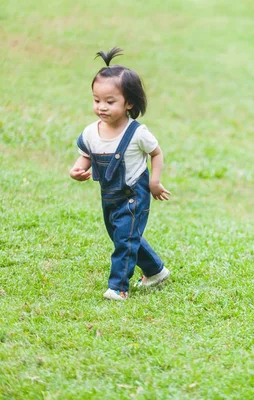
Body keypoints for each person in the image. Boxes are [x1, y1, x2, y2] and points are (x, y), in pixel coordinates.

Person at [70, 47, 172, 300]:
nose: (101, 107)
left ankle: (118, 287)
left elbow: (156, 153)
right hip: (109, 196)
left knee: (125, 241)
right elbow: (86, 153)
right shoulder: (92, 132)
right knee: (124, 236)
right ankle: (156, 271)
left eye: (110, 101)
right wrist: (78, 168)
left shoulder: (138, 133)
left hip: (133, 194)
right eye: (96, 100)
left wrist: (155, 182)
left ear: (129, 103)